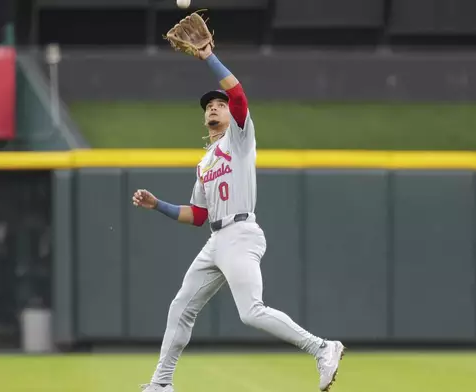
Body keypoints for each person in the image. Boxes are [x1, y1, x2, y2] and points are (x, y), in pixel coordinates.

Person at [132, 42, 345, 392]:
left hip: (242, 232)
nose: (215, 108)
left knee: (251, 312)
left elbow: (240, 96)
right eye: (210, 106)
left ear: (230, 115)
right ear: (204, 117)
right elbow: (199, 215)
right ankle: (161, 383)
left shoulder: (239, 140)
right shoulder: (204, 162)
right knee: (181, 307)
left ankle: (322, 348)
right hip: (216, 239)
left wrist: (207, 58)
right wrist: (158, 205)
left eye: (220, 105)